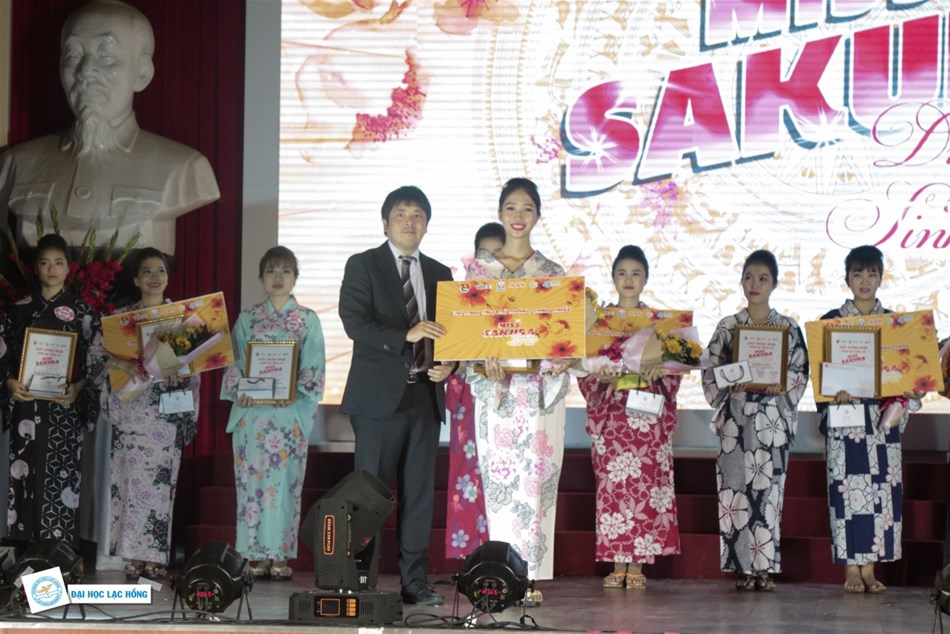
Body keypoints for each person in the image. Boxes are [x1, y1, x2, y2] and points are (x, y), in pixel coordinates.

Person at [0, 0, 219, 255]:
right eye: (73, 55)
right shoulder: (16, 163)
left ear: (142, 72)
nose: (85, 70)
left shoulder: (184, 168)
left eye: (106, 55)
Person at [338, 186, 454, 606]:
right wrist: (406, 334)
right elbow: (354, 322)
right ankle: (360, 581)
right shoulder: (363, 264)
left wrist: (451, 364)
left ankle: (415, 582)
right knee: (369, 495)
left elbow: (453, 334)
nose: (410, 221)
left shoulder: (441, 272)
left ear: (427, 224)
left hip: (425, 397)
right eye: (402, 214)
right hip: (377, 402)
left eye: (418, 214)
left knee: (419, 496)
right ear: (385, 222)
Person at [465, 177, 571, 604]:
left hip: (537, 395)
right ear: (499, 213)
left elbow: (563, 342)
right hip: (498, 393)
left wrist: (554, 360)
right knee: (502, 484)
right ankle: (504, 572)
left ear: (538, 215)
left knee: (535, 483)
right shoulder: (479, 271)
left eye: (527, 208)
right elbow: (469, 334)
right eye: (511, 207)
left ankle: (530, 578)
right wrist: (482, 362)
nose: (518, 216)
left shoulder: (552, 274)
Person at [818, 245, 925, 593]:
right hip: (846, 420)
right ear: (847, 279)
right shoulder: (831, 321)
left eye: (871, 273)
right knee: (847, 494)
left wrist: (912, 386)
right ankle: (851, 569)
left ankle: (869, 568)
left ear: (881, 278)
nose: (864, 280)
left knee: (881, 492)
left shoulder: (895, 325)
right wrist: (832, 391)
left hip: (881, 422)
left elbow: (908, 375)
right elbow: (819, 374)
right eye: (857, 273)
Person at [701, 249, 808, 591]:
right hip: (735, 420)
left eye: (763, 278)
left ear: (774, 283)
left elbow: (799, 371)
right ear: (741, 281)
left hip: (771, 421)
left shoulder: (788, 328)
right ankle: (742, 568)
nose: (755, 284)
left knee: (768, 493)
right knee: (734, 492)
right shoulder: (728, 326)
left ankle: (765, 568)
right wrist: (728, 381)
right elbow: (710, 370)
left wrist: (780, 386)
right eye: (748, 277)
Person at [578, 245, 681, 589]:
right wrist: (599, 374)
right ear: (613, 277)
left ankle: (636, 565)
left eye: (636, 273)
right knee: (613, 488)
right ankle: (616, 560)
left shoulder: (659, 324)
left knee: (644, 489)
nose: (628, 279)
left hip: (646, 415)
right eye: (622, 273)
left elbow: (676, 369)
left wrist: (660, 369)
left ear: (646, 278)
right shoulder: (600, 322)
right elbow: (585, 368)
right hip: (613, 415)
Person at [94, 248, 200, 579]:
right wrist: (121, 362)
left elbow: (194, 366)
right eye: (147, 271)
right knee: (128, 485)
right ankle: (132, 556)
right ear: (136, 279)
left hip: (164, 416)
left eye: (161, 271)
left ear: (168, 278)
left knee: (159, 487)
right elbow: (95, 356)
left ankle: (154, 558)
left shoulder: (182, 319)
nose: (155, 277)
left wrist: (179, 375)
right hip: (131, 411)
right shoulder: (120, 321)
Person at [221, 246, 325, 580]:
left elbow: (314, 367)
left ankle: (279, 554)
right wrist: (242, 390)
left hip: (287, 416)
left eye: (285, 271)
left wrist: (293, 392)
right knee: (251, 485)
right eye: (271, 271)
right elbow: (234, 362)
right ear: (261, 277)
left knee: (285, 485)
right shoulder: (248, 318)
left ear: (295, 277)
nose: (278, 277)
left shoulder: (307, 319)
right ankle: (254, 554)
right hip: (253, 416)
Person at [0, 233, 101, 546]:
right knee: (24, 471)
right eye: (45, 263)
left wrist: (78, 387)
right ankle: (25, 553)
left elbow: (96, 360)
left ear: (69, 268)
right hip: (26, 404)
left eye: (58, 262)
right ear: (36, 268)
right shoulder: (18, 310)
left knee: (61, 474)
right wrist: (9, 382)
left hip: (62, 406)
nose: (52, 269)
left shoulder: (83, 313)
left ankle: (58, 554)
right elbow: (3, 354)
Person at [445, 222, 504, 560]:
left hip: (508, 399)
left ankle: (505, 556)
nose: (491, 262)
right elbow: (449, 354)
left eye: (498, 255)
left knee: (503, 475)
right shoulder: (460, 301)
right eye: (485, 255)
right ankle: (472, 558)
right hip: (470, 399)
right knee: (469, 473)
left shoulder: (519, 302)